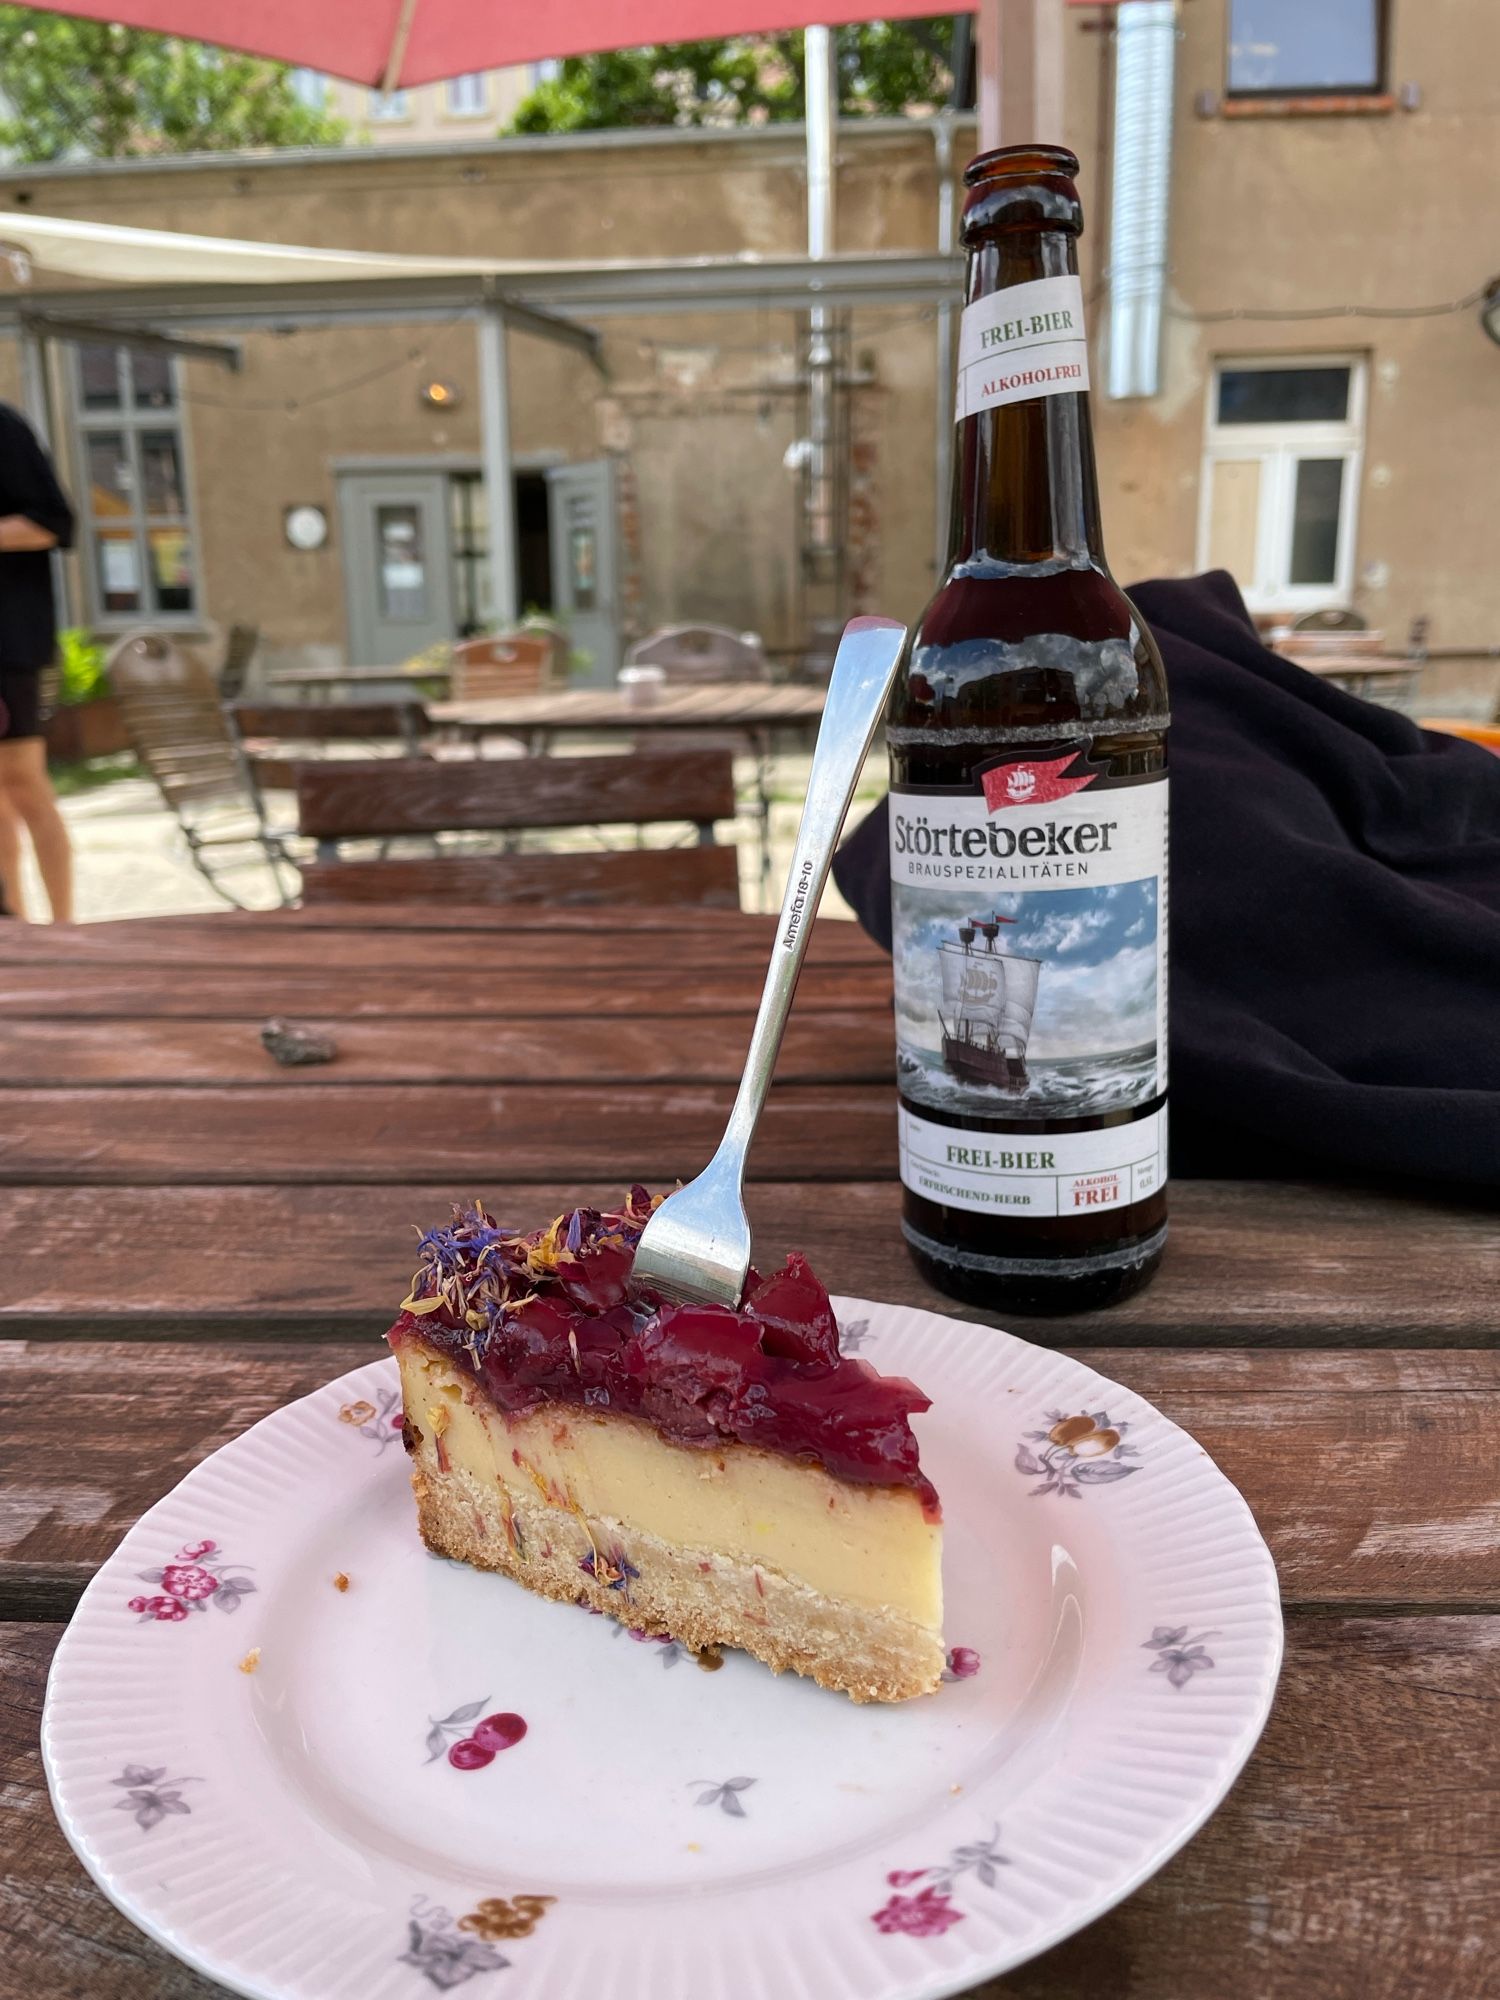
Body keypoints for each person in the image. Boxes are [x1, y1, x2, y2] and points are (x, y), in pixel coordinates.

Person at [0, 400, 76, 921]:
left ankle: (65, 926)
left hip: (6, 644)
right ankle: (15, 928)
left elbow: (53, 524)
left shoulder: (3, 429)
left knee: (22, 781)